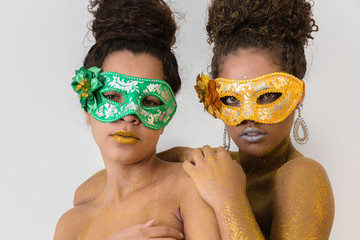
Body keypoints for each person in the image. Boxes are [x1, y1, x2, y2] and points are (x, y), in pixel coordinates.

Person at [73, 0, 335, 239]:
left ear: (298, 93)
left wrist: (228, 200)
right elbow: (106, 186)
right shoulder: (213, 166)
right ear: (213, 99)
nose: (247, 117)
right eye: (231, 99)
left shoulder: (302, 175)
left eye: (268, 96)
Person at [53, 0, 221, 239]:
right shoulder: (71, 225)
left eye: (150, 102)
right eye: (112, 96)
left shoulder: (191, 187)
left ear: (165, 118)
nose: (130, 115)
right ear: (87, 105)